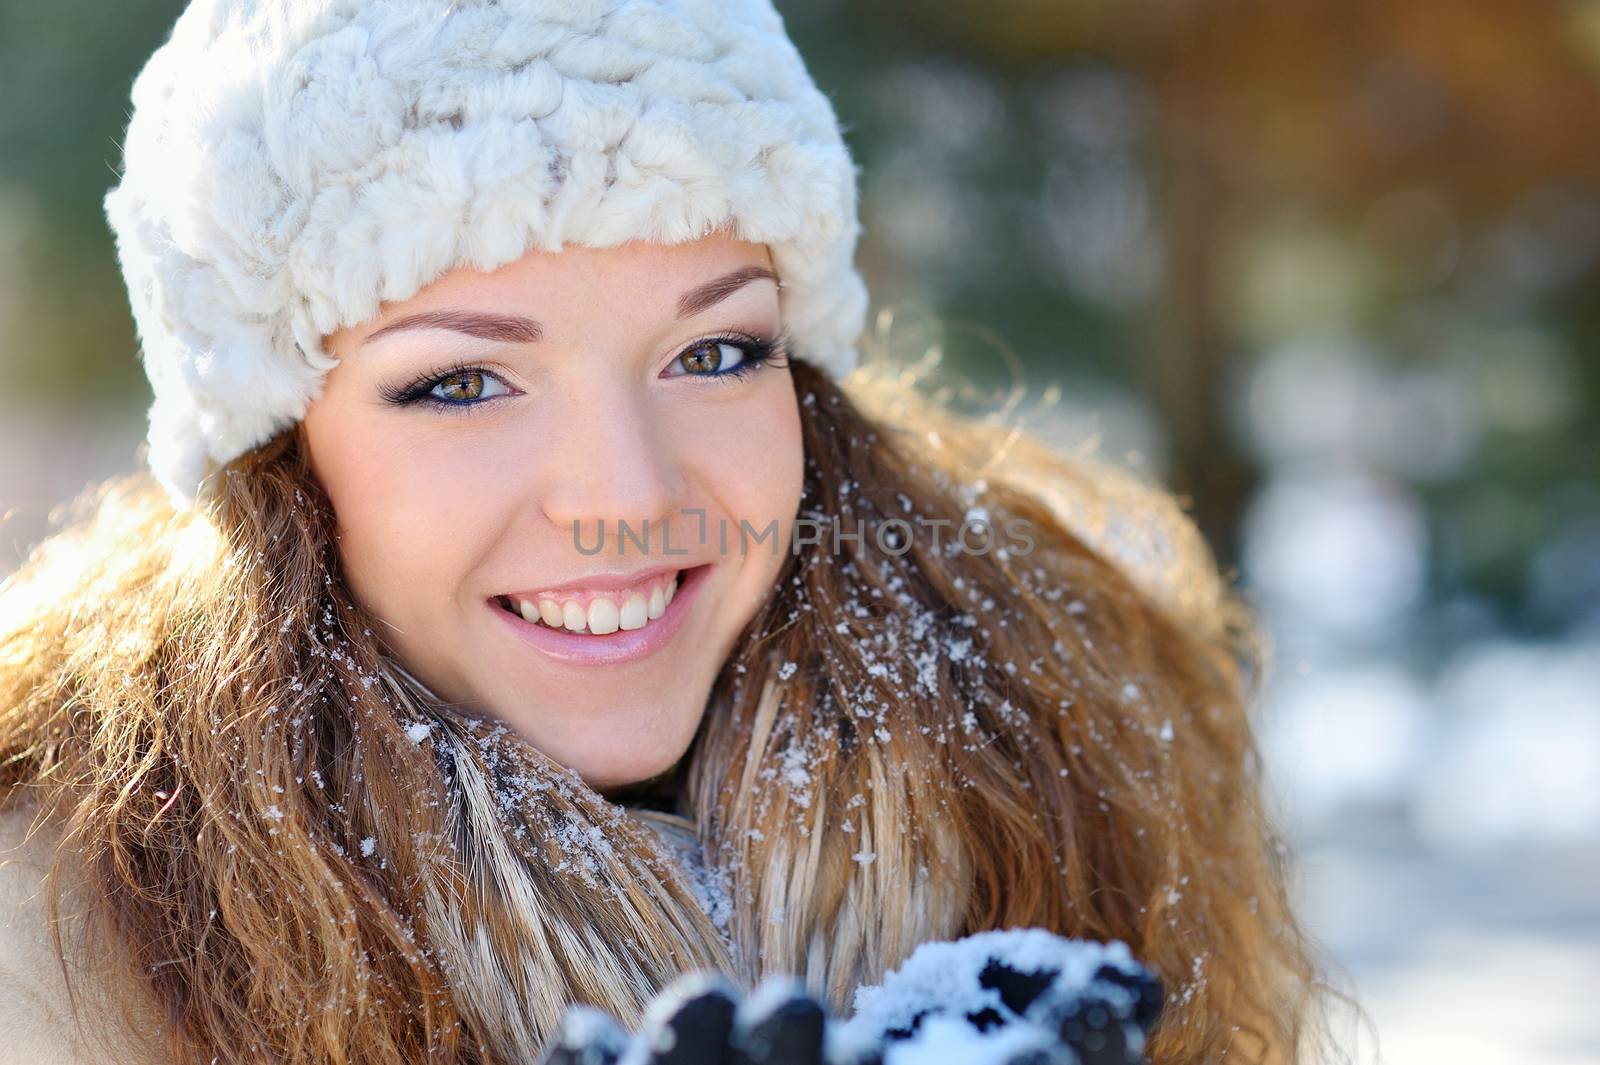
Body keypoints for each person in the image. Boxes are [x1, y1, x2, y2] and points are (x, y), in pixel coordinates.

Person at [0, 1, 1352, 1063]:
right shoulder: (68, 940)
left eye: (713, 352)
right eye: (461, 381)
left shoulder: (1073, 755)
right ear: (278, 456)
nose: (633, 494)